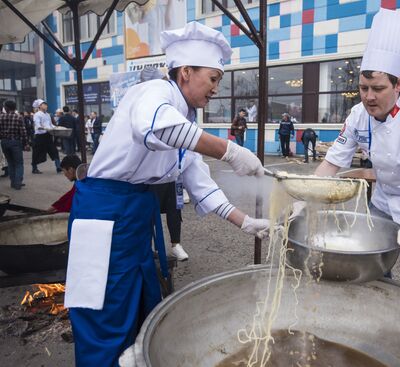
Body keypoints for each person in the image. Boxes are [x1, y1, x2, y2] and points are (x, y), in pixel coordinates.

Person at [64, 22, 267, 367]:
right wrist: (229, 151)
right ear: (185, 72)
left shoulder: (184, 118)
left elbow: (200, 183)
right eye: (214, 78)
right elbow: (156, 126)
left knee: (138, 301)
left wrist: (246, 222)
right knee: (103, 308)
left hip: (131, 216)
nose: (216, 89)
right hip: (104, 213)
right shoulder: (152, 94)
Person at [312, 9, 400, 295]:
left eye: (377, 88)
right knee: (376, 269)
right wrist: (306, 199)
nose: (369, 97)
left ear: (399, 85)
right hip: (384, 202)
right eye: (363, 88)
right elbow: (331, 164)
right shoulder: (357, 116)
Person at [0, 100, 28, 190]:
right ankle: (18, 182)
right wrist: (26, 143)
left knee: (10, 163)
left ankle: (13, 182)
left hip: (4, 142)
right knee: (19, 163)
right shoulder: (18, 117)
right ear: (15, 107)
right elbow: (23, 132)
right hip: (15, 142)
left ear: (6, 108)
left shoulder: (1, 117)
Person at [31, 99, 61, 174]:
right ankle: (34, 168)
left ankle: (58, 167)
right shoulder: (37, 114)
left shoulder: (48, 114)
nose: (46, 106)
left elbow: (50, 124)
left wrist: (57, 127)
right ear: (40, 106)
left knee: (54, 151)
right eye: (44, 104)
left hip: (48, 135)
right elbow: (37, 125)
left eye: (46, 104)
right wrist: (44, 128)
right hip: (39, 136)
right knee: (36, 152)